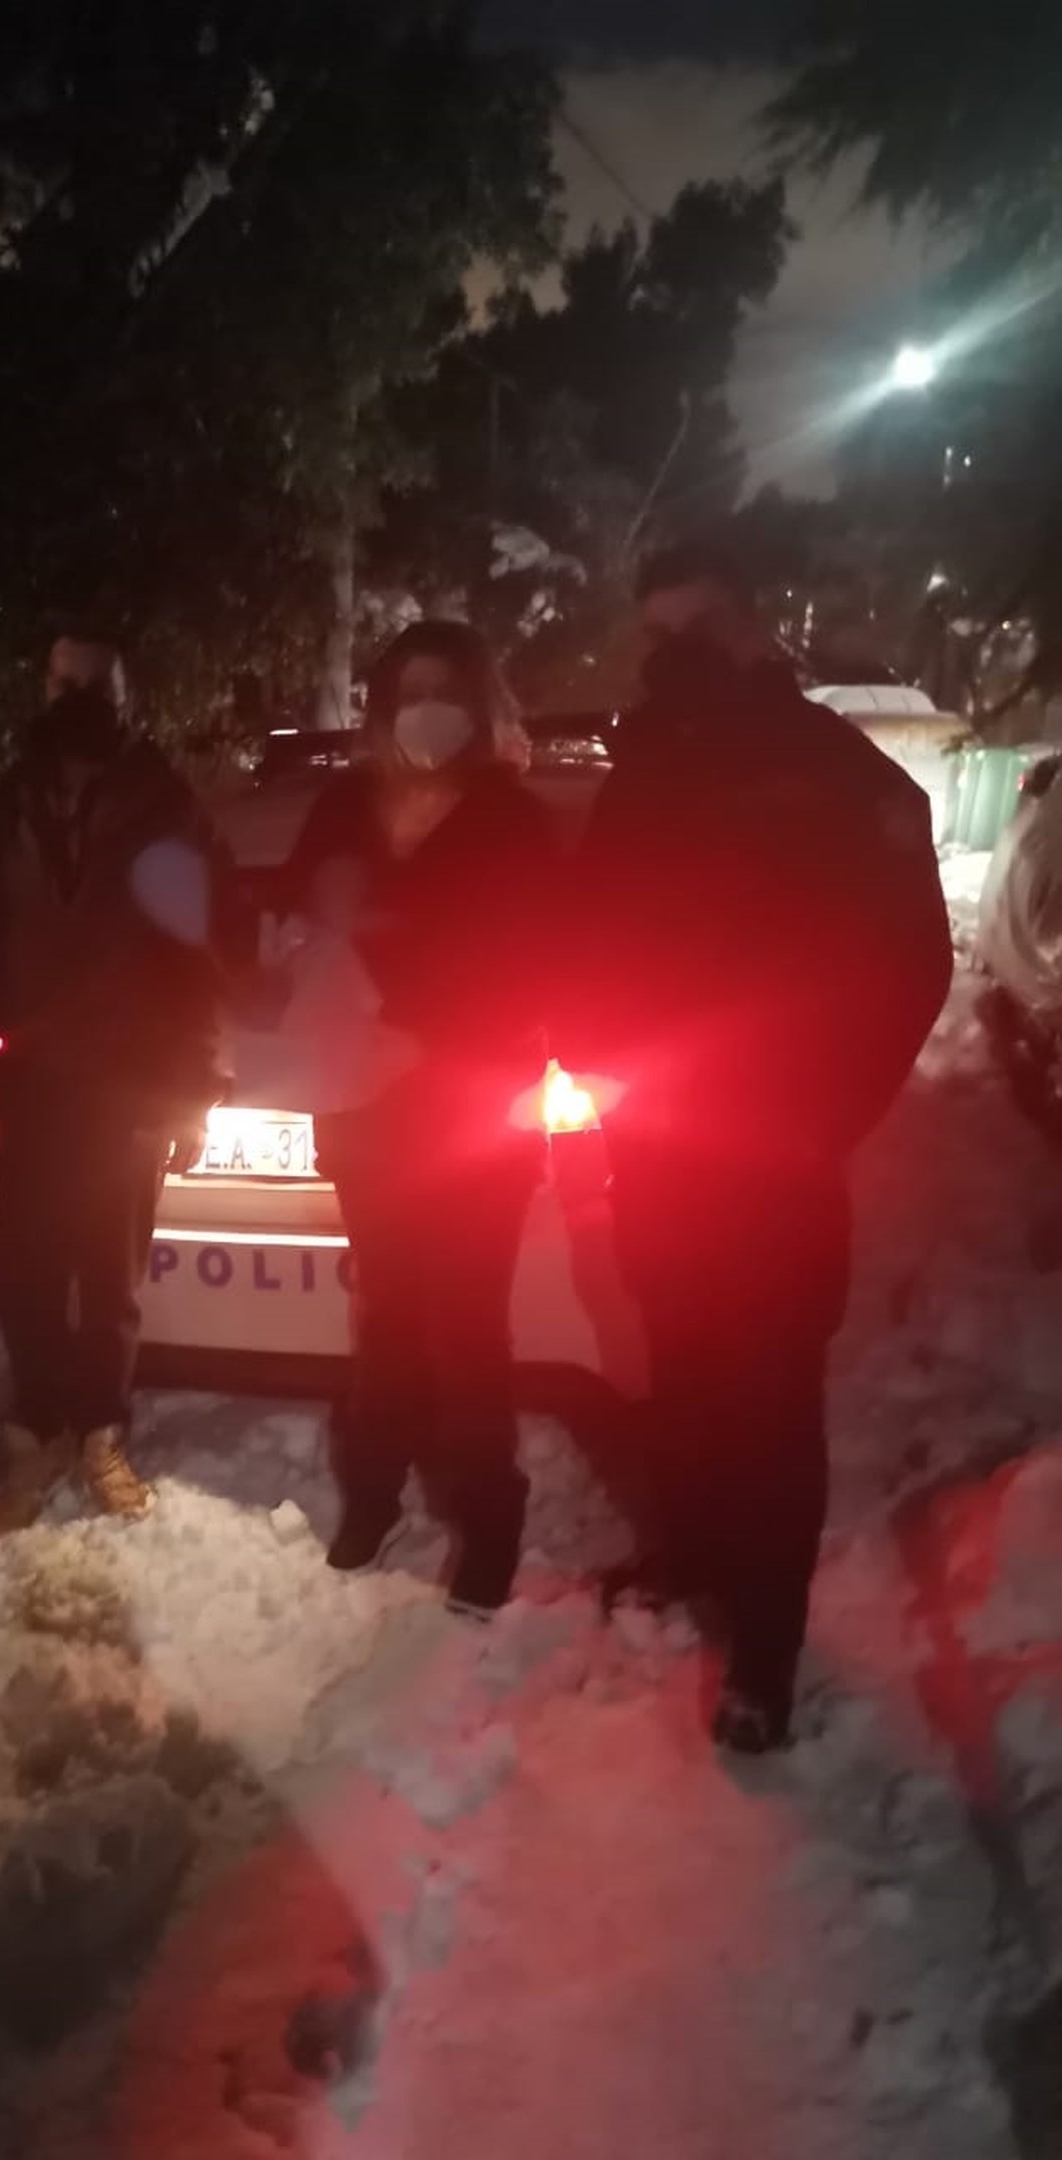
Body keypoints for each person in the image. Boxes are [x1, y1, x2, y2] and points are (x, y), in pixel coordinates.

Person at [561, 542, 953, 1751]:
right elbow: (589, 941)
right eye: (658, 635)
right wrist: (590, 1049)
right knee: (680, 1372)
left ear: (749, 627)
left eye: (698, 628)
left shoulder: (837, 775)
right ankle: (690, 1552)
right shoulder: (643, 777)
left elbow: (910, 966)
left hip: (779, 1158)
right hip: (660, 1147)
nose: (676, 655)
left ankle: (766, 1656)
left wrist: (826, 1113)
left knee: (772, 1400)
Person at [283, 620, 560, 1618]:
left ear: (479, 705)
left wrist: (428, 1038)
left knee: (468, 1327)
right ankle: (374, 1495)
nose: (426, 710)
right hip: (366, 1111)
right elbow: (297, 920)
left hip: (472, 1115)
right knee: (388, 1313)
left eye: (447, 690)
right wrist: (289, 945)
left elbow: (536, 967)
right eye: (410, 691)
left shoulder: (513, 820)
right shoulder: (344, 808)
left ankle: (490, 1522)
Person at [0, 635, 224, 1532]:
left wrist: (195, 1086)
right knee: (26, 1276)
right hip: (32, 1083)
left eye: (97, 682)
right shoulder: (10, 805)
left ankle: (102, 1433)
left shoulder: (165, 803)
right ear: (45, 686)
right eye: (64, 680)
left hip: (131, 1084)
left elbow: (200, 946)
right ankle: (37, 1433)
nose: (78, 695)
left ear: (126, 694)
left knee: (111, 1283)